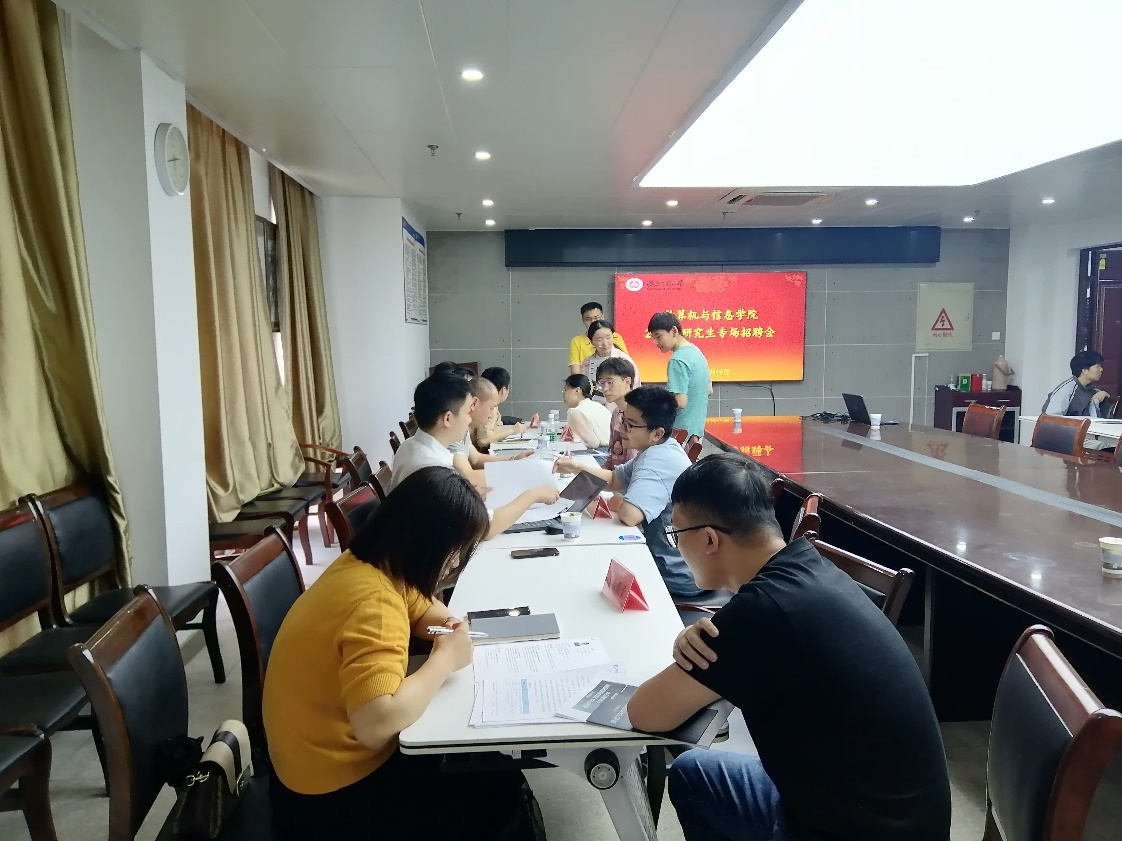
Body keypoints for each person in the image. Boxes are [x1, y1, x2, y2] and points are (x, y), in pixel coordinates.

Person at [626, 455, 951, 841]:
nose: (677, 546)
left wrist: (713, 643)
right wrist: (689, 641)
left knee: (696, 773)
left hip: (851, 830)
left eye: (677, 534)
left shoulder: (759, 612)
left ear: (710, 539)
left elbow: (645, 713)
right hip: (895, 814)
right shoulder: (807, 565)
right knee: (695, 774)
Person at [263, 466, 535, 840]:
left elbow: (419, 605)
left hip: (306, 770)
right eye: (453, 550)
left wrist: (449, 625)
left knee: (482, 764)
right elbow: (376, 725)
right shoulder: (375, 603)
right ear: (424, 540)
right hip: (332, 799)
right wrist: (444, 659)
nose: (455, 562)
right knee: (497, 783)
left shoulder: (367, 563)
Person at [552, 386, 720, 603]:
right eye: (623, 420)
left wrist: (623, 501)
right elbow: (615, 480)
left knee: (583, 575)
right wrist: (576, 467)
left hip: (675, 574)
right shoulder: (661, 448)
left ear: (657, 433)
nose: (621, 428)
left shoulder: (656, 460)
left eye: (630, 425)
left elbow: (630, 515)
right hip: (680, 564)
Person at [390, 373, 558, 536]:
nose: (469, 420)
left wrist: (467, 495)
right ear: (448, 419)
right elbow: (486, 527)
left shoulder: (409, 446)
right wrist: (533, 495)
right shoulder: (437, 469)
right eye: (466, 413)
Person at [648, 312, 712, 439]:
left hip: (679, 434)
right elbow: (709, 390)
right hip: (696, 432)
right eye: (653, 337)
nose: (656, 342)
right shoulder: (696, 351)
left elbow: (680, 402)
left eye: (658, 336)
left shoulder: (677, 360)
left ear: (674, 331)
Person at [473, 366, 535, 449]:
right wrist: (512, 431)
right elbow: (483, 441)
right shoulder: (489, 408)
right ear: (503, 389)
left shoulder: (492, 406)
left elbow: (496, 429)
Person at [595, 357, 638, 468]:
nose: (605, 388)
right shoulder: (616, 413)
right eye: (602, 383)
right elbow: (614, 456)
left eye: (610, 382)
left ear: (627, 381)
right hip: (617, 474)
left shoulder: (639, 414)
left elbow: (635, 461)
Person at [580, 319, 641, 396]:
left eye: (608, 338)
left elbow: (635, 385)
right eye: (599, 340)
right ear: (591, 341)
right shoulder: (587, 362)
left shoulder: (623, 359)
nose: (605, 343)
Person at [1042, 350, 1111, 417]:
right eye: (1097, 366)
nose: (1101, 369)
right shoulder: (1067, 389)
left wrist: (1095, 400)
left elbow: (1097, 418)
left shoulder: (1093, 390)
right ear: (1084, 370)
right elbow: (1051, 416)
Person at [569, 301, 628, 374]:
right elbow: (575, 371)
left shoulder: (616, 337)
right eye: (588, 319)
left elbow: (625, 363)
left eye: (596, 318)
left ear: (603, 317)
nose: (593, 322)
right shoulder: (577, 341)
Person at [561, 374, 612, 447]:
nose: (563, 393)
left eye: (565, 390)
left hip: (601, 452)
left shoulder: (575, 412)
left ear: (577, 390)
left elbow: (592, 443)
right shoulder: (598, 406)